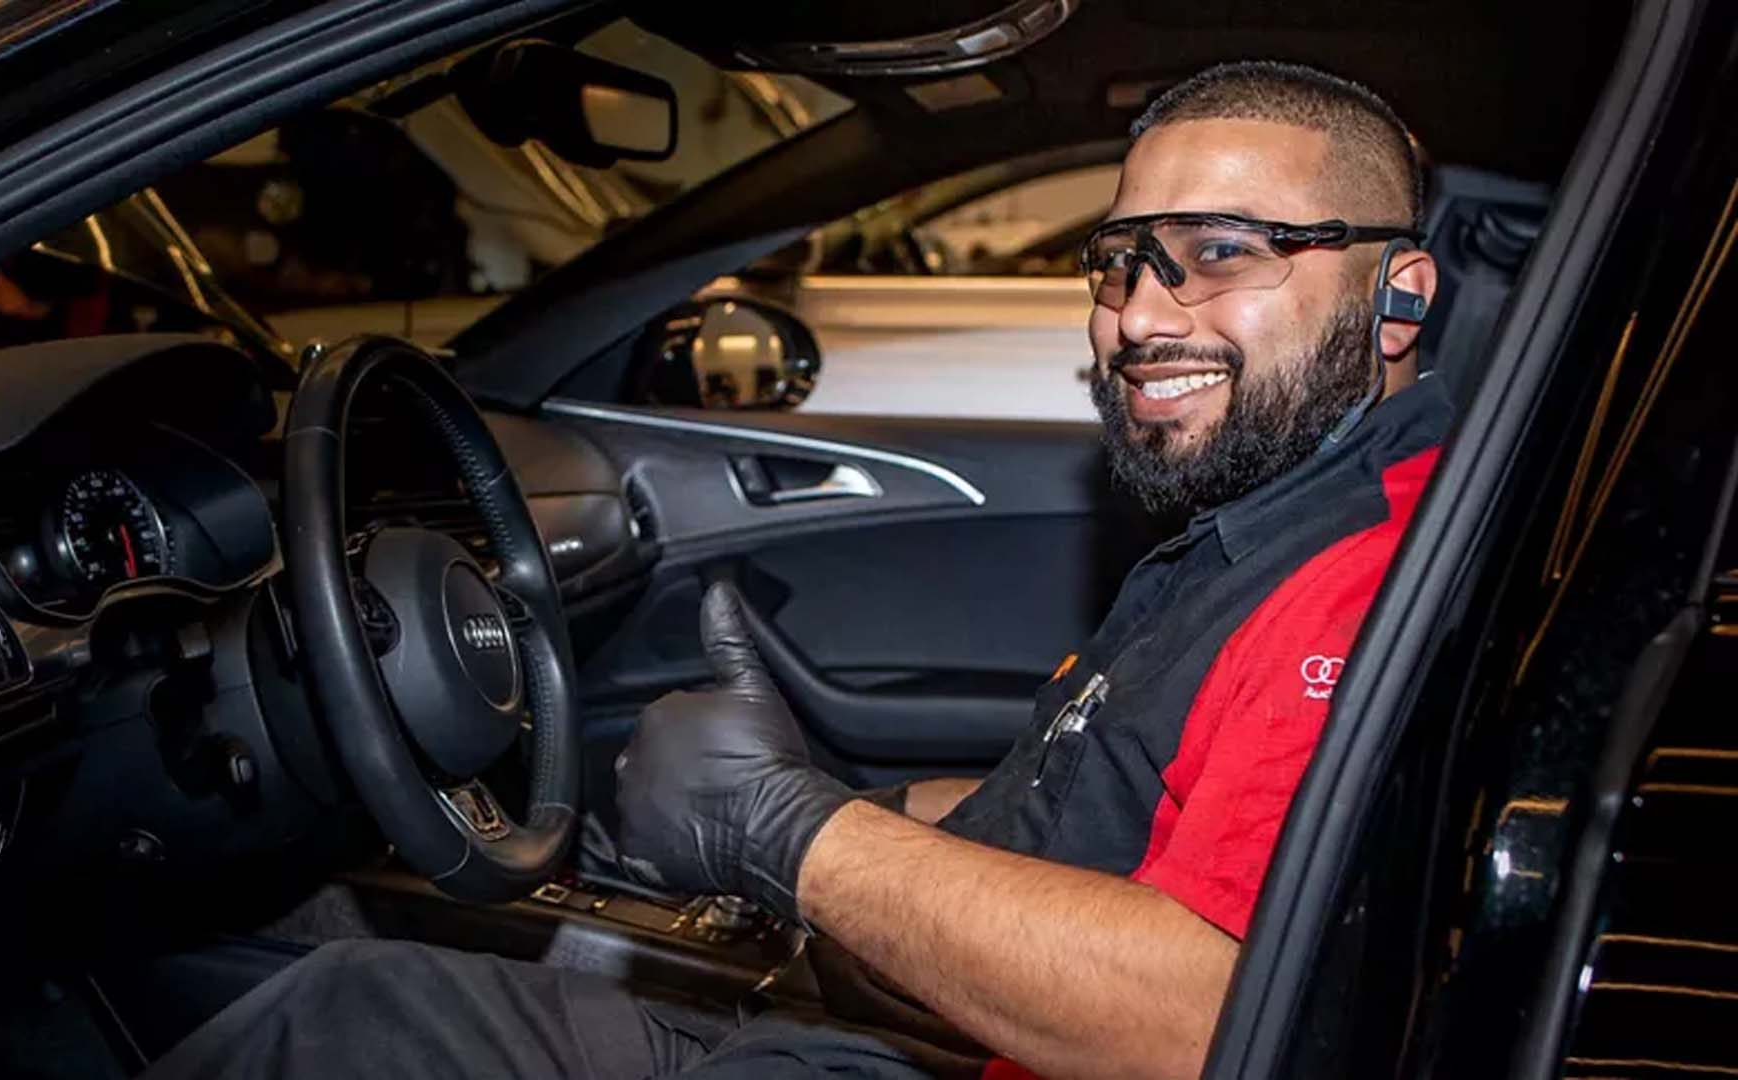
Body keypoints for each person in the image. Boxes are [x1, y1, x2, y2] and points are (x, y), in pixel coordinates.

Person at [145, 60, 1449, 1080]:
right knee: (354, 1000)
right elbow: (1093, 816)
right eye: (1119, 262)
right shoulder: (1256, 524)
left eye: (1223, 252)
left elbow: (1209, 1022)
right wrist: (834, 809)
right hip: (918, 1037)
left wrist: (788, 834)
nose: (1140, 316)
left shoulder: (1353, 581)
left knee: (334, 1031)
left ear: (1398, 296)